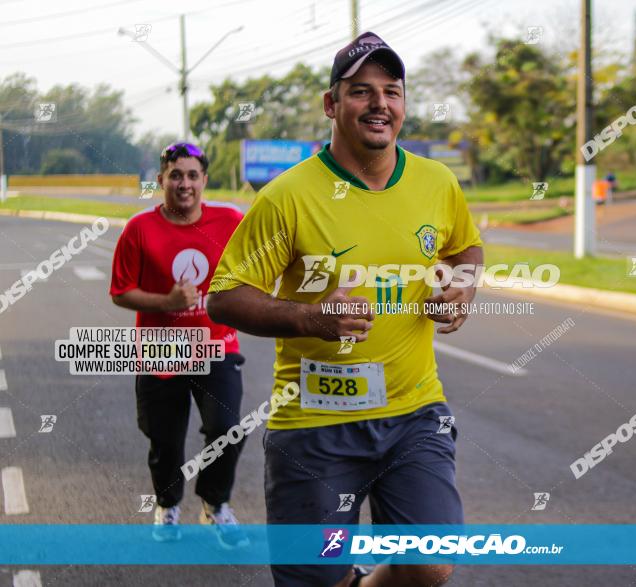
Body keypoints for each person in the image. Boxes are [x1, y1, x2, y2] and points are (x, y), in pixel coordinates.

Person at [207, 32, 483, 587]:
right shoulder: (287, 196)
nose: (380, 103)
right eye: (361, 91)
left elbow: (463, 246)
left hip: (415, 414)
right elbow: (225, 295)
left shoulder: (436, 181)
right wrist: (310, 318)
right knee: (318, 581)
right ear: (332, 105)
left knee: (428, 563)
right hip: (315, 424)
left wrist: (461, 284)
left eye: (392, 91)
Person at [110, 142, 249, 548]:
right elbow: (120, 292)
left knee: (227, 429)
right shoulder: (139, 228)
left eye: (192, 175)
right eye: (175, 175)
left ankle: (215, 504)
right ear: (161, 181)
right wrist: (167, 303)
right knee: (165, 439)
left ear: (205, 180)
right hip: (160, 349)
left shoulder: (230, 221)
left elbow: (263, 262)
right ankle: (167, 503)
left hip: (216, 346)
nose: (184, 183)